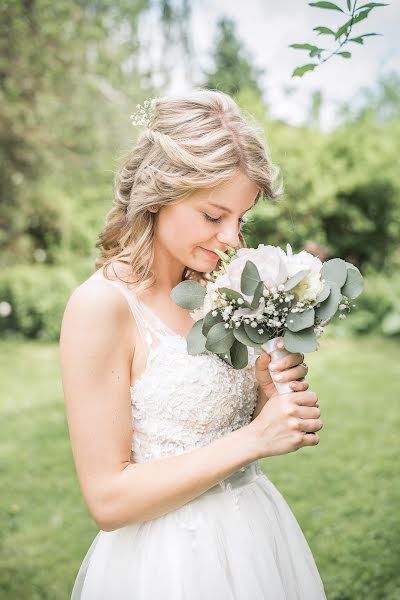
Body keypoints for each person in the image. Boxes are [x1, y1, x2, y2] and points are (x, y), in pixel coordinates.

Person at [60, 89, 326, 599]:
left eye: (240, 219)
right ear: (159, 195)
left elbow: (219, 428)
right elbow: (108, 500)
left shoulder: (217, 290)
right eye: (213, 216)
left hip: (253, 537)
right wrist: (255, 440)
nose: (233, 239)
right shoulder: (101, 308)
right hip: (167, 562)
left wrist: (267, 397)